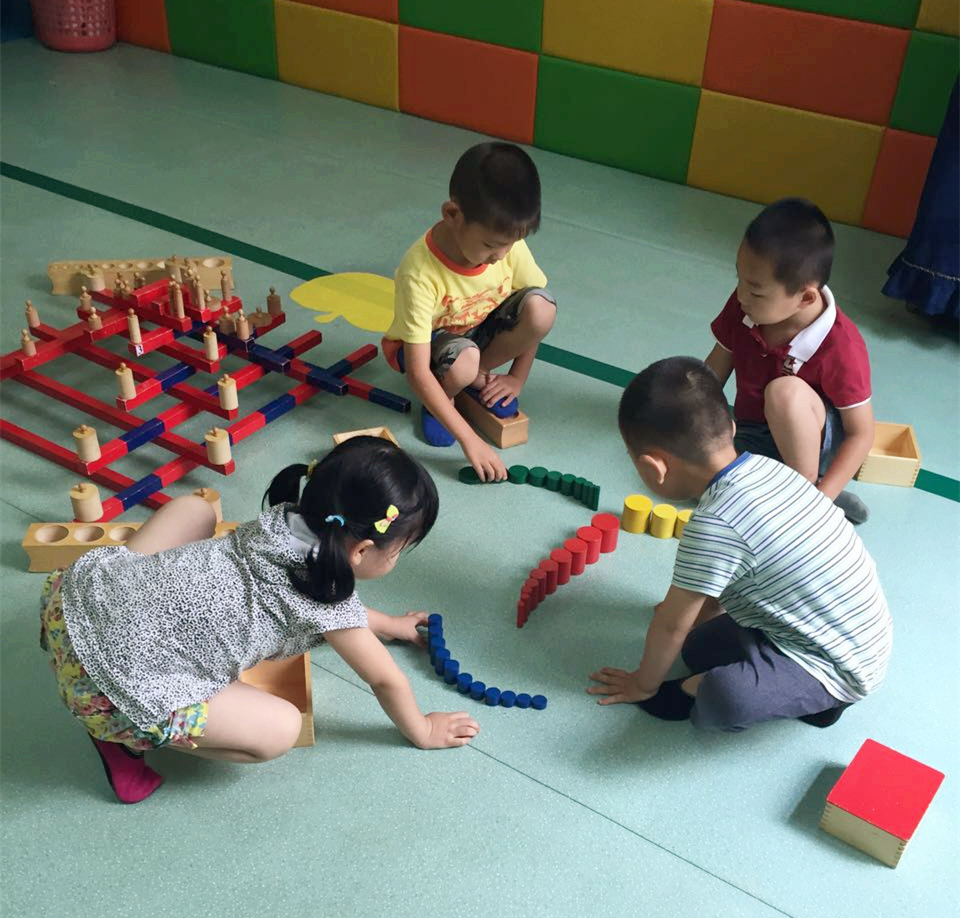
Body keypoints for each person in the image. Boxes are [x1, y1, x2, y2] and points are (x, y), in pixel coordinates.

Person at [40, 437, 480, 804]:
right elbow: (385, 680)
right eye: (399, 551)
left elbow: (337, 613)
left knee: (195, 510)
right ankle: (125, 736)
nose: (397, 558)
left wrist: (388, 625)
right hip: (110, 692)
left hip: (73, 604)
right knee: (280, 730)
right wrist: (423, 729)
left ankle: (114, 679)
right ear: (362, 551)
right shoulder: (327, 599)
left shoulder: (282, 520)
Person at [588, 357, 892, 732]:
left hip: (841, 667)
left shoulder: (715, 524)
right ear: (731, 427)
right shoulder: (772, 469)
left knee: (725, 697)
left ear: (655, 468)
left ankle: (827, 701)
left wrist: (643, 685)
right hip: (853, 631)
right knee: (696, 647)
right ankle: (798, 689)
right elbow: (718, 589)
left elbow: (670, 626)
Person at [382, 141, 557, 482]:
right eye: (491, 245)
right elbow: (417, 372)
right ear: (452, 214)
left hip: (475, 336)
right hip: (429, 350)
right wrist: (470, 440)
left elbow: (534, 320)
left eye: (510, 243)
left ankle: (474, 375)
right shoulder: (419, 272)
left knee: (541, 308)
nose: (501, 255)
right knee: (464, 361)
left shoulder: (508, 246)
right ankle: (446, 393)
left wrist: (516, 378)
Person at [704, 198, 874, 524]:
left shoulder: (842, 345)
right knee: (705, 482)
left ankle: (810, 493)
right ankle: (782, 484)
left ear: (806, 297)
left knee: (784, 393)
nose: (741, 296)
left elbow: (861, 433)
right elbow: (712, 373)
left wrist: (820, 501)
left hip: (814, 446)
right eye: (739, 279)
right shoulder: (745, 307)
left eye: (756, 291)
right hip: (754, 432)